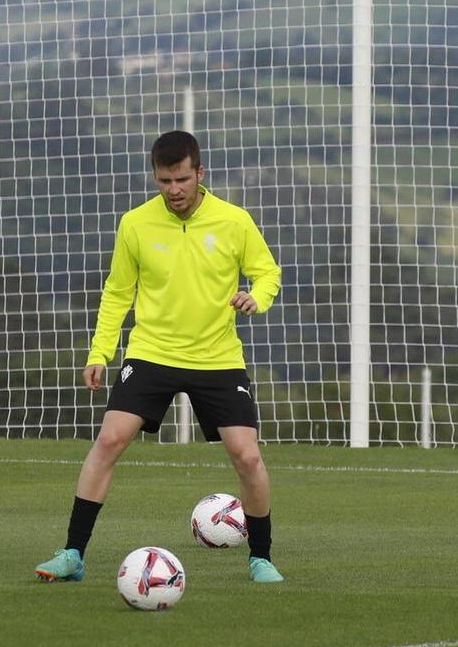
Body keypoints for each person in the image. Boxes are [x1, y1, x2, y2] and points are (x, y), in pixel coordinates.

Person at [35, 130, 286, 584]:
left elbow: (267, 271)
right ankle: (72, 553)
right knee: (110, 440)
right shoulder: (135, 223)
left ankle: (261, 558)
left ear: (200, 174)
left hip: (217, 356)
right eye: (165, 180)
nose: (174, 190)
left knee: (246, 457)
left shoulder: (234, 220)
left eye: (182, 179)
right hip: (152, 351)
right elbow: (117, 293)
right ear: (155, 176)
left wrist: (258, 297)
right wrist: (99, 352)